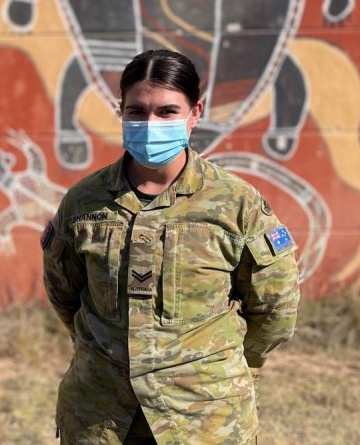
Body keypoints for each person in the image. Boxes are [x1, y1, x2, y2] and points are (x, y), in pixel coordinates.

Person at [42, 49, 300, 444]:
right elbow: (66, 294)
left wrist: (227, 366)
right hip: (101, 418)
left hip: (203, 418)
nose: (150, 124)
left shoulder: (235, 204)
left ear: (195, 112)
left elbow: (274, 307)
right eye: (136, 111)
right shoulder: (84, 202)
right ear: (121, 112)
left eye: (166, 111)